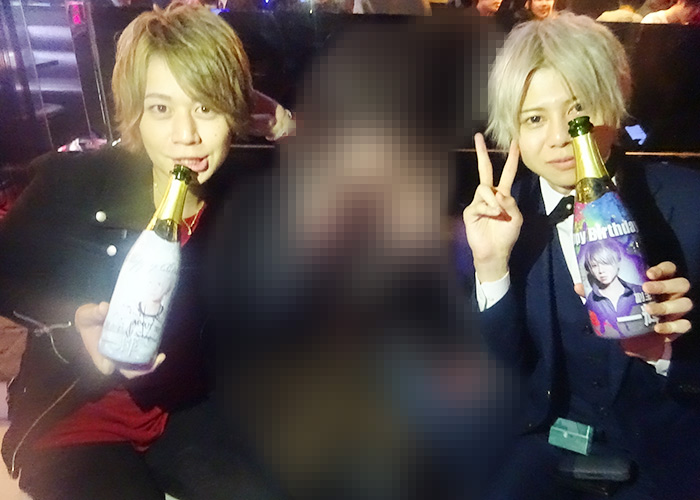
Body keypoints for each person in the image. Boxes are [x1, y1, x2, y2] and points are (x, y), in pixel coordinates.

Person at [0, 4, 288, 499]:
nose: (186, 136)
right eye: (160, 108)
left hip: (181, 409)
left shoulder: (246, 196)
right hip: (74, 414)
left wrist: (286, 125)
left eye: (206, 107)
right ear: (135, 112)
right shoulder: (76, 179)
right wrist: (71, 322)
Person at [461, 13, 700, 499]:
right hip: (546, 444)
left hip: (666, 448)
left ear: (615, 102)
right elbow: (496, 382)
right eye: (534, 118)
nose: (560, 137)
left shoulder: (688, 203)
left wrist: (666, 353)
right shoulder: (504, 218)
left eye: (579, 110)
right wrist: (490, 266)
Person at [583, 240, 646, 338]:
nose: (601, 271)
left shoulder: (639, 290)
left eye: (605, 263)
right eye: (594, 265)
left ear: (618, 262)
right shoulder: (591, 301)